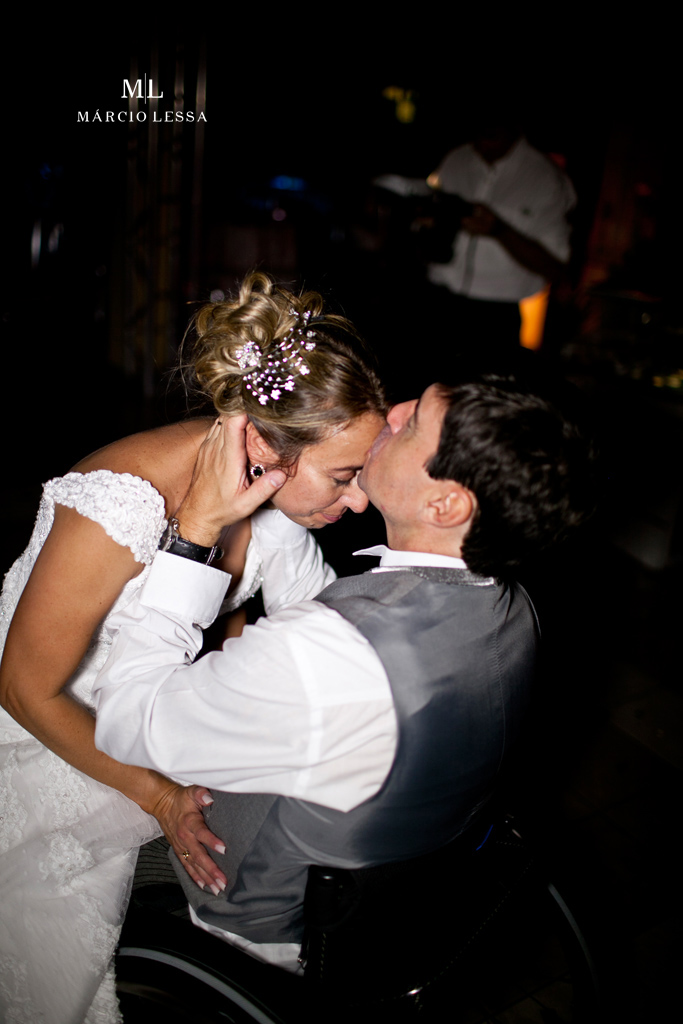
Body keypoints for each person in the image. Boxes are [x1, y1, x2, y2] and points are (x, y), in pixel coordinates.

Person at [92, 366, 597, 974]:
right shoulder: (514, 610)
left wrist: (197, 532)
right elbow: (342, 636)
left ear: (446, 503)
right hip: (403, 900)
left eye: (416, 424)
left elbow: (125, 720)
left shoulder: (331, 654)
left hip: (255, 919)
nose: (397, 409)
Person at [0, 272, 386, 1024]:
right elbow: (21, 689)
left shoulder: (255, 496)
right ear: (266, 445)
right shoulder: (120, 506)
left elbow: (236, 616)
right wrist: (159, 794)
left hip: (149, 719)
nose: (359, 501)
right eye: (345, 477)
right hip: (48, 742)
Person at [426, 118, 577, 363]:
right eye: (478, 133)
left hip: (495, 318)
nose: (482, 144)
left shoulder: (545, 177)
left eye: (492, 134)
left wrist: (499, 230)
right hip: (435, 301)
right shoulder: (456, 159)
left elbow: (557, 267)